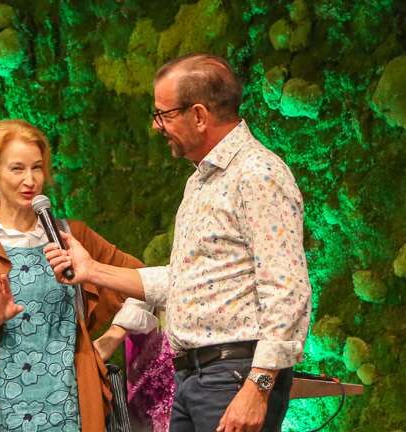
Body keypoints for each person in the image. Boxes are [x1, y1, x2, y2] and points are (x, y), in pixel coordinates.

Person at [44, 53, 312, 432]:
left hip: (233, 376)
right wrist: (91, 270)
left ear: (199, 115)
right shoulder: (201, 182)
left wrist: (259, 385)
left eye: (164, 114)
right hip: (193, 377)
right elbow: (182, 281)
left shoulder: (257, 174)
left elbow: (287, 288)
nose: (157, 126)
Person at [0, 119, 149, 432]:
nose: (30, 180)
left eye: (37, 168)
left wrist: (112, 337)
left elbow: (143, 281)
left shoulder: (71, 236)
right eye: (17, 169)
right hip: (3, 409)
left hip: (71, 405)